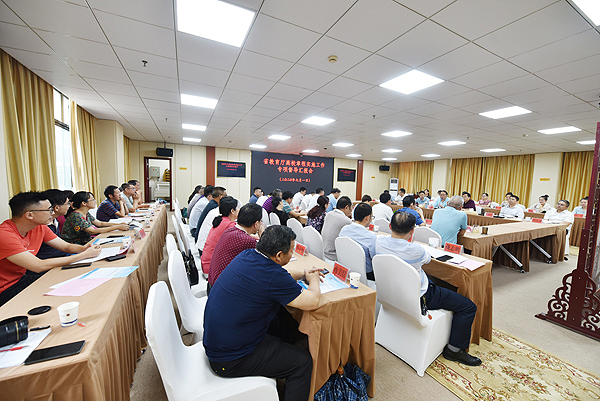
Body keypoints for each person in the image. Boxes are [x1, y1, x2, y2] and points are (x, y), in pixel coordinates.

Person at [203, 225, 322, 401]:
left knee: (281, 318)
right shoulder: (272, 276)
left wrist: (303, 274)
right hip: (230, 359)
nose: (292, 254)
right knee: (302, 363)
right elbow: (312, 301)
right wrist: (314, 280)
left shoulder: (248, 255)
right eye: (291, 251)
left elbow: (282, 274)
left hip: (221, 341)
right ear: (279, 255)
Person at [376, 212, 481, 366]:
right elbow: (427, 259)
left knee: (429, 279)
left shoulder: (379, 242)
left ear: (390, 226)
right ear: (412, 231)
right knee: (468, 306)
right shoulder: (416, 250)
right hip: (421, 297)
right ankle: (454, 350)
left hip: (391, 292)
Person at [0, 192, 102, 306]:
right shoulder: (4, 234)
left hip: (21, 279)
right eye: (48, 210)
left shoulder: (40, 227)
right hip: (5, 289)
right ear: (29, 215)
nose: (52, 213)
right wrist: (84, 255)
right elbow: (38, 266)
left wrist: (85, 248)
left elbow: (66, 246)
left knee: (73, 281)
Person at [207, 203, 264, 290]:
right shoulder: (247, 241)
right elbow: (265, 257)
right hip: (222, 289)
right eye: (261, 221)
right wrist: (262, 237)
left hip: (212, 284)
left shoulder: (230, 231)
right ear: (256, 224)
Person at [62, 191, 130, 245]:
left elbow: (100, 223)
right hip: (76, 245)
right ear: (84, 203)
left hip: (85, 242)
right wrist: (117, 227)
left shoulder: (85, 213)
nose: (95, 201)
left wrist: (119, 224)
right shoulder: (76, 216)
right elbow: (92, 231)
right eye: (92, 200)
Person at [200, 196, 239, 273]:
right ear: (232, 211)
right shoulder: (229, 225)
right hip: (212, 269)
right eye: (237, 207)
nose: (239, 209)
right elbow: (243, 238)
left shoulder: (221, 220)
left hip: (206, 263)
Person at [339, 202, 377, 281]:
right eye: (372, 217)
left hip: (346, 269)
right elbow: (375, 260)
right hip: (366, 275)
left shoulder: (344, 229)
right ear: (367, 218)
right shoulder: (370, 237)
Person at [36, 189, 70, 260]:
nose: (69, 206)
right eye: (67, 203)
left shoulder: (55, 220)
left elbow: (65, 246)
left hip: (62, 256)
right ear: (57, 207)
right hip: (52, 260)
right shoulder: (40, 226)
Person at [321, 196, 352, 260]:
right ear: (346, 207)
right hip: (333, 256)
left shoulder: (329, 214)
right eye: (351, 208)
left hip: (323, 252)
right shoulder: (346, 220)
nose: (351, 211)